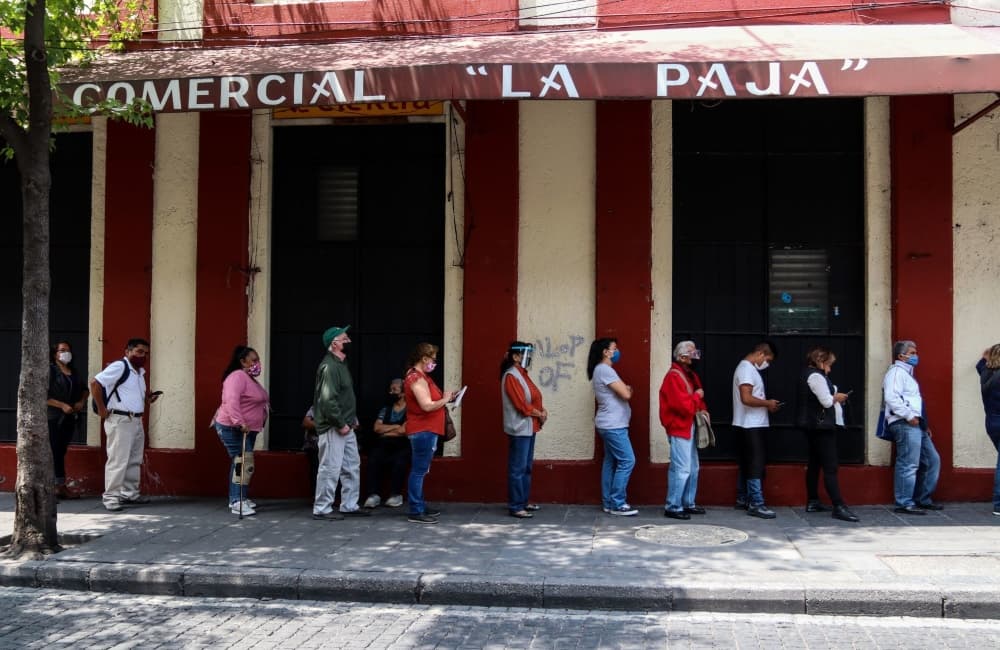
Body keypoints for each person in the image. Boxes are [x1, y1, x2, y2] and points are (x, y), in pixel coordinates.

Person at [90, 338, 160, 512]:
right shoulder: (120, 366)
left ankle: (130, 493)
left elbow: (130, 395)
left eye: (146, 353)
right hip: (120, 420)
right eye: (139, 351)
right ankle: (111, 497)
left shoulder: (139, 373)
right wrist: (102, 409)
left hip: (135, 420)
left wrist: (147, 399)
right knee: (118, 460)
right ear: (128, 351)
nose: (143, 356)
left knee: (134, 459)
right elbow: (95, 383)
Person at [796, 346, 859, 523]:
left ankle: (813, 501)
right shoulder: (816, 376)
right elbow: (825, 401)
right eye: (829, 364)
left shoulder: (809, 374)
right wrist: (837, 397)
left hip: (814, 427)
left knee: (815, 463)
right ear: (821, 362)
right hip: (822, 427)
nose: (830, 369)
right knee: (830, 467)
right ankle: (838, 506)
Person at [312, 325, 369, 520]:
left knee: (351, 466)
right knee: (330, 468)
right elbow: (328, 400)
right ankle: (322, 508)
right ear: (334, 344)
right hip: (334, 427)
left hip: (346, 424)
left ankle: (349, 505)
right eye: (345, 339)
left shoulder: (341, 365)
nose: (349, 341)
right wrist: (340, 423)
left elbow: (343, 396)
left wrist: (350, 419)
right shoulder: (330, 367)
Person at [883, 339, 942, 515]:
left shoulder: (907, 374)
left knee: (932, 460)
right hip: (904, 423)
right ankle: (904, 502)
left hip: (916, 424)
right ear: (901, 356)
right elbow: (891, 397)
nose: (916, 356)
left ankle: (922, 498)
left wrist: (923, 423)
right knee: (908, 463)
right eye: (912, 353)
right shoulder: (895, 373)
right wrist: (909, 416)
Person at [212, 345, 269, 516]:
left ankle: (240, 497)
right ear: (243, 361)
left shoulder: (248, 378)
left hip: (248, 429)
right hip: (234, 428)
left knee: (242, 462)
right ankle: (237, 500)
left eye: (258, 360)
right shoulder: (237, 377)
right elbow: (231, 401)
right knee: (242, 463)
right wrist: (239, 422)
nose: (257, 363)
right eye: (254, 360)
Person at [404, 342, 455, 524]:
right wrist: (445, 399)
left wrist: (448, 398)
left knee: (421, 470)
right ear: (424, 358)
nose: (434, 362)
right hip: (423, 429)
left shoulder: (421, 377)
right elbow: (426, 405)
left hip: (426, 429)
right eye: (433, 359)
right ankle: (416, 510)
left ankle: (420, 505)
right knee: (418, 471)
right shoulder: (416, 378)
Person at [587, 338, 637, 516]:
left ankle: (608, 502)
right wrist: (628, 389)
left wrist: (626, 390)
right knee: (628, 460)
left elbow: (623, 392)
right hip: (613, 425)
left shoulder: (601, 370)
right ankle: (617, 503)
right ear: (606, 352)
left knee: (610, 461)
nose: (617, 351)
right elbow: (626, 394)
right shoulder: (605, 370)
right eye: (614, 348)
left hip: (609, 424)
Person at [732, 342, 780, 519]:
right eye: (767, 359)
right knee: (755, 464)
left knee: (747, 462)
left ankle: (743, 497)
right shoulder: (747, 370)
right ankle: (756, 502)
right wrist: (768, 403)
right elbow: (746, 398)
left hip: (746, 423)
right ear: (760, 353)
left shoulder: (747, 368)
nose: (767, 364)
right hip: (751, 424)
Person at [659, 340, 706, 520]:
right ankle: (674, 506)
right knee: (683, 468)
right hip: (679, 426)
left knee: (691, 467)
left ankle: (687, 503)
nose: (695, 356)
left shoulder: (685, 374)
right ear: (682, 356)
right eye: (692, 353)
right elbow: (683, 406)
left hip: (686, 425)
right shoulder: (675, 376)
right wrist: (697, 397)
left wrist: (701, 406)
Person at [500, 341, 547, 519]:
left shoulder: (522, 373)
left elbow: (532, 398)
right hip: (519, 428)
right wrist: (539, 414)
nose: (529, 358)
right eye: (526, 355)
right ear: (515, 356)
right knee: (518, 468)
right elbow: (521, 405)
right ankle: (516, 506)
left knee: (526, 467)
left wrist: (542, 411)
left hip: (529, 426)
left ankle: (523, 501)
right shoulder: (511, 376)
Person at [46, 341, 89, 500]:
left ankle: (58, 486)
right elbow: (42, 395)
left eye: (68, 350)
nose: (66, 353)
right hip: (54, 418)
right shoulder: (50, 371)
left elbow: (85, 390)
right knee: (55, 451)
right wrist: (61, 405)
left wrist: (81, 402)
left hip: (70, 417)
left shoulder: (73, 371)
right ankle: (57, 486)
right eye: (62, 350)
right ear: (54, 354)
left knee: (61, 450)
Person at [363, 378, 410, 509]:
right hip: (384, 444)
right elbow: (377, 428)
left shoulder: (410, 410)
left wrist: (386, 432)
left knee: (400, 461)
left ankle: (395, 494)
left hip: (402, 444)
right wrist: (396, 426)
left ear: (403, 393)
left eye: (395, 390)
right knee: (374, 459)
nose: (391, 392)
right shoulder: (386, 409)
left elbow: (404, 431)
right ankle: (373, 495)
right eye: (390, 390)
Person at [976, 344, 1000, 517]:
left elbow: (980, 364)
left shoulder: (985, 373)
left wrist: (986, 356)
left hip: (991, 423)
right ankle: (998, 504)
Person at [302, 407, 319, 495]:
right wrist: (326, 426)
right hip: (315, 445)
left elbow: (355, 425)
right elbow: (306, 423)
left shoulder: (346, 407)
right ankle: (316, 494)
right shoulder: (317, 406)